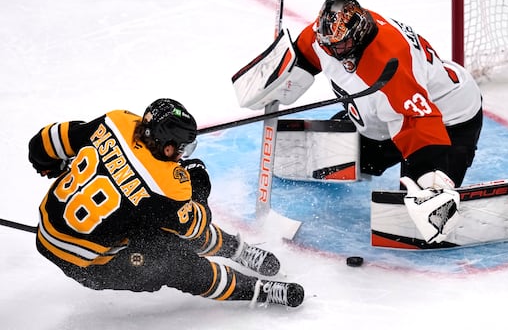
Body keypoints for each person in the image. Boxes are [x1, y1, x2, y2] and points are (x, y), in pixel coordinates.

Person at [28, 98, 304, 308]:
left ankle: (236, 250)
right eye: (182, 148)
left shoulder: (116, 122)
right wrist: (199, 185)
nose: (183, 155)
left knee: (155, 221)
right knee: (174, 263)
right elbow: (195, 225)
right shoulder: (165, 184)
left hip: (49, 228)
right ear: (166, 145)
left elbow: (46, 142)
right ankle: (257, 289)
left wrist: (47, 164)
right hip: (89, 265)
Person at [292, 0, 483, 190]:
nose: (333, 51)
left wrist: (427, 174)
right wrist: (273, 78)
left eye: (340, 45)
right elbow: (300, 56)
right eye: (329, 46)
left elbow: (416, 120)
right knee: (336, 158)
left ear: (358, 33)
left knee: (422, 194)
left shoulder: (391, 61)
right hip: (391, 116)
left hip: (449, 119)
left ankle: (438, 182)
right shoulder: (330, 36)